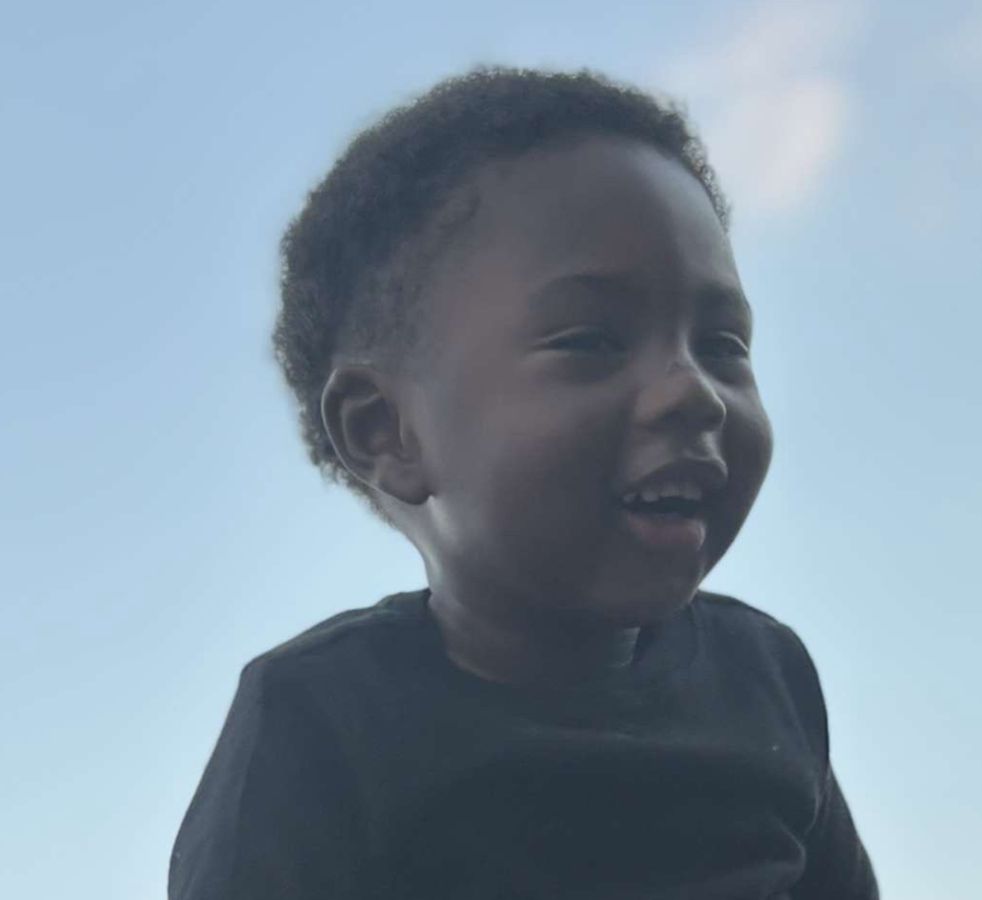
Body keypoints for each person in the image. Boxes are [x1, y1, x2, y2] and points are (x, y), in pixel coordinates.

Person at [168, 65, 879, 900]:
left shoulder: (766, 678)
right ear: (384, 430)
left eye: (722, 345)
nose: (694, 391)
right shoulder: (320, 722)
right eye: (590, 340)